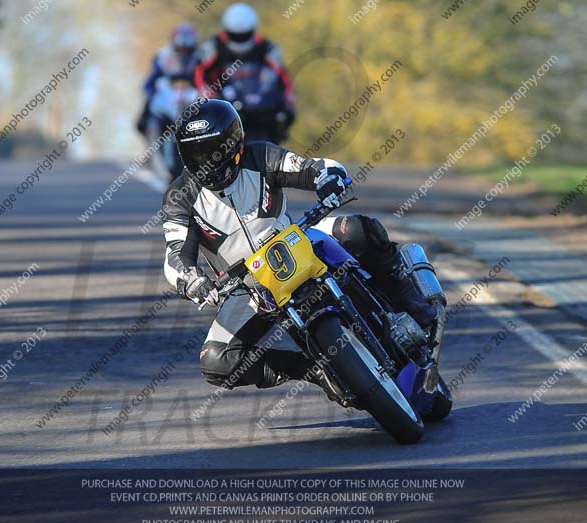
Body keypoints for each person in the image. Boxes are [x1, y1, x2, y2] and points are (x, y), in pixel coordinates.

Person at [162, 99, 431, 390]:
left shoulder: (261, 155)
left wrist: (327, 178)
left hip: (297, 241)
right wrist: (191, 280)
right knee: (216, 361)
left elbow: (310, 167)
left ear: (235, 143)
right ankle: (315, 371)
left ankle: (413, 307)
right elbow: (175, 253)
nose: (207, 162)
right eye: (196, 153)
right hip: (248, 286)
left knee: (357, 229)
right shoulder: (180, 196)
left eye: (214, 151)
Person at [194, 3, 295, 127]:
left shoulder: (266, 47)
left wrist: (288, 96)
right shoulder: (214, 46)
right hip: (224, 103)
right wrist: (206, 92)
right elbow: (200, 71)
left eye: (244, 35)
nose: (240, 39)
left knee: (286, 115)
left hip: (260, 104)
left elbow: (282, 74)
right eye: (235, 35)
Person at [136, 23, 200, 136]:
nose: (183, 48)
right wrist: (151, 91)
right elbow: (151, 82)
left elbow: (206, 79)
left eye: (187, 44)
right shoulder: (163, 56)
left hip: (192, 99)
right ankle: (149, 132)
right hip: (168, 100)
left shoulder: (200, 57)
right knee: (150, 109)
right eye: (180, 44)